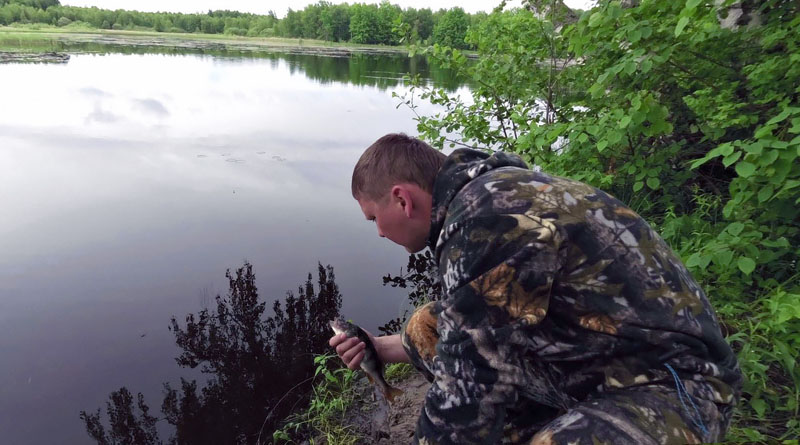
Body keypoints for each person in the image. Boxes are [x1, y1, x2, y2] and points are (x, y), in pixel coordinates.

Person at [329, 133, 742, 444]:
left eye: (373, 219)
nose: (379, 233)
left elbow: (469, 383)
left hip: (678, 388)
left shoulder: (488, 220)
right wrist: (378, 349)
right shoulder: (484, 195)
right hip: (603, 362)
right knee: (427, 323)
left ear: (402, 199)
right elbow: (469, 332)